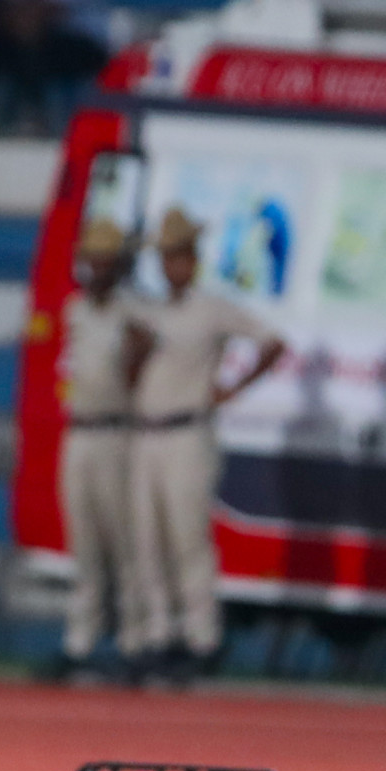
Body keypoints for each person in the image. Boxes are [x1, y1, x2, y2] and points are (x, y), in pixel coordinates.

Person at [132, 207, 286, 681]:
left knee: (187, 538)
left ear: (194, 260)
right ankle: (160, 635)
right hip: (146, 433)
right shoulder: (148, 311)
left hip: (188, 431)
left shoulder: (212, 308)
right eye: (164, 258)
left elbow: (272, 342)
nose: (171, 266)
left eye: (179, 257)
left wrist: (233, 388)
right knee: (147, 539)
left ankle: (202, 638)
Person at [47, 218, 149, 683]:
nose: (98, 266)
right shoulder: (76, 310)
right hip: (79, 430)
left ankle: (134, 642)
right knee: (83, 541)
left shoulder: (131, 314)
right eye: (94, 257)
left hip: (115, 431)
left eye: (107, 258)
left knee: (122, 540)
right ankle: (80, 642)